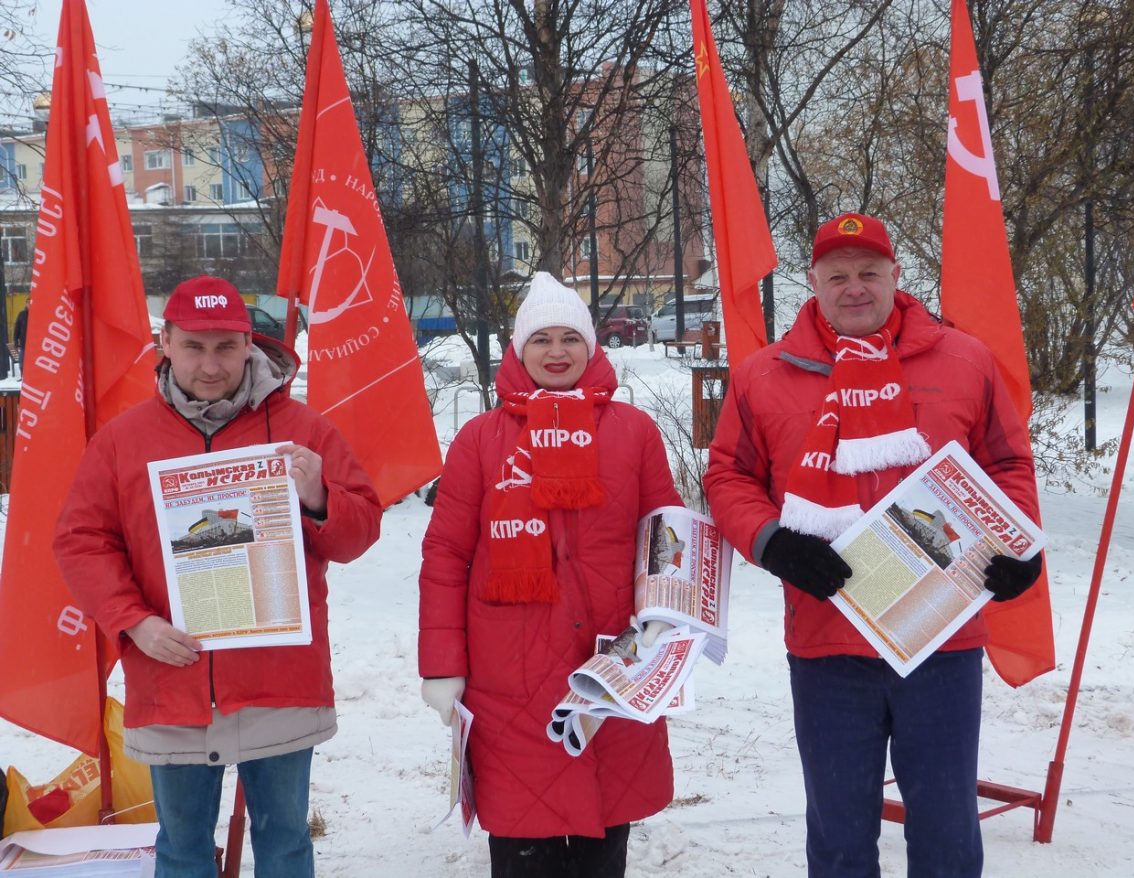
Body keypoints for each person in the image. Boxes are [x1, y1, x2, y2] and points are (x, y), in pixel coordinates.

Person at [703, 213, 1044, 878]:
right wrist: (773, 544)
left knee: (947, 830)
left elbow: (1007, 464)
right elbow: (729, 475)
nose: (853, 288)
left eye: (867, 273)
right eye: (838, 276)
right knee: (839, 837)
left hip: (940, 638)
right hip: (827, 639)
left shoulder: (964, 359)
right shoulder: (762, 376)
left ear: (895, 275)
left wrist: (1018, 546)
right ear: (814, 283)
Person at [53, 275, 382, 878]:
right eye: (195, 347)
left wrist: (317, 495)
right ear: (167, 343)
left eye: (226, 347)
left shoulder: (304, 429)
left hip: (279, 679)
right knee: (181, 849)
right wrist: (134, 622)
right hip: (170, 679)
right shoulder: (122, 441)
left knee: (284, 844)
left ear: (248, 346)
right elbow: (81, 541)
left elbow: (360, 533)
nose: (210, 364)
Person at [418, 272, 681, 877]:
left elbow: (664, 540)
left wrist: (669, 626)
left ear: (592, 347)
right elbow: (446, 558)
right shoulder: (479, 440)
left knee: (602, 840)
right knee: (521, 844)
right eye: (541, 339)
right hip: (508, 677)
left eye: (570, 338)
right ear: (517, 349)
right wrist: (442, 665)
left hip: (611, 669)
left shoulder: (633, 432)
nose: (556, 352)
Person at [12, 305, 27, 375]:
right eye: (28, 302)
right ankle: (23, 376)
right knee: (22, 363)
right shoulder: (22, 314)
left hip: (34, 345)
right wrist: (15, 341)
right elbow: (17, 328)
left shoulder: (37, 314)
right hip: (23, 344)